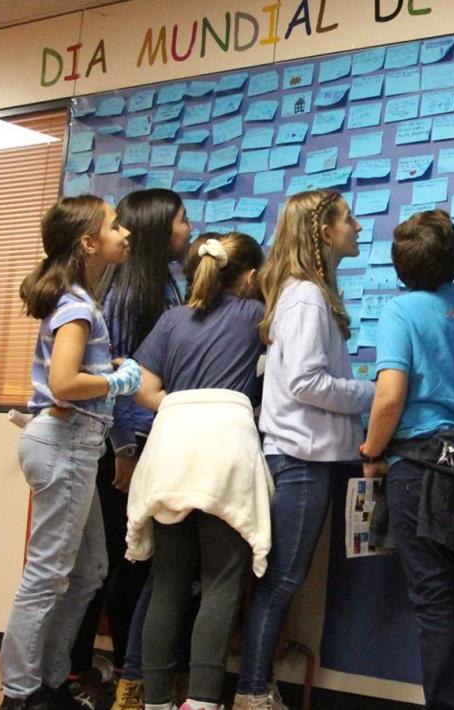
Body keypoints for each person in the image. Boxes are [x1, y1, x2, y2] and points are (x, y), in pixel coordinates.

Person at [234, 191, 374, 709]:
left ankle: (256, 685)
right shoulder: (307, 297)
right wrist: (376, 392)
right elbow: (308, 383)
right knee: (283, 578)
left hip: (306, 457)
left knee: (283, 578)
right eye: (347, 219)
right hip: (299, 459)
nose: (357, 227)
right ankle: (251, 692)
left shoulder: (306, 295)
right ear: (322, 233)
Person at [1, 196, 141, 709]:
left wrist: (108, 369)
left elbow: (72, 373)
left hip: (74, 446)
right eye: (114, 225)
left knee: (87, 573)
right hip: (64, 445)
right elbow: (63, 382)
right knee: (46, 576)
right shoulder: (78, 305)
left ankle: (53, 681)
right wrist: (114, 379)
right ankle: (20, 695)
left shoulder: (79, 300)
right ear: (88, 243)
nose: (124, 232)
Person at [123, 232, 273, 710]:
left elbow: (144, 390)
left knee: (167, 581)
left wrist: (185, 406)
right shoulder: (257, 317)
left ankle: (158, 702)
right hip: (223, 450)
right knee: (222, 581)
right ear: (249, 275)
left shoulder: (171, 320)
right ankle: (204, 702)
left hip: (171, 450)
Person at [360, 209, 454, 710]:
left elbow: (390, 396)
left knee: (435, 604)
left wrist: (371, 451)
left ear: (400, 269)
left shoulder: (401, 313)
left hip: (419, 468)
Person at [92, 188, 192, 710]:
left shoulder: (164, 285)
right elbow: (124, 378)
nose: (189, 228)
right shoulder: (131, 294)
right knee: (128, 562)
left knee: (141, 562)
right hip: (128, 445)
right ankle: (127, 678)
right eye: (181, 221)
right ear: (159, 230)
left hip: (153, 440)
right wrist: (126, 448)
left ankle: (138, 672)